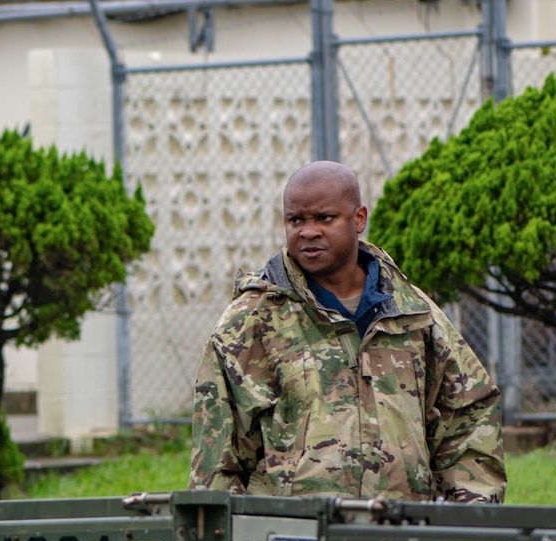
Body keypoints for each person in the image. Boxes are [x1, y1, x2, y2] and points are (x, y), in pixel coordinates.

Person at [191, 160, 505, 501]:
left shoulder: (412, 313)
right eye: (296, 220)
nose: (307, 232)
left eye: (324, 218)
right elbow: (218, 453)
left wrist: (469, 514)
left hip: (402, 535)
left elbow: (469, 414)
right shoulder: (251, 322)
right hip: (296, 537)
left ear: (359, 219)